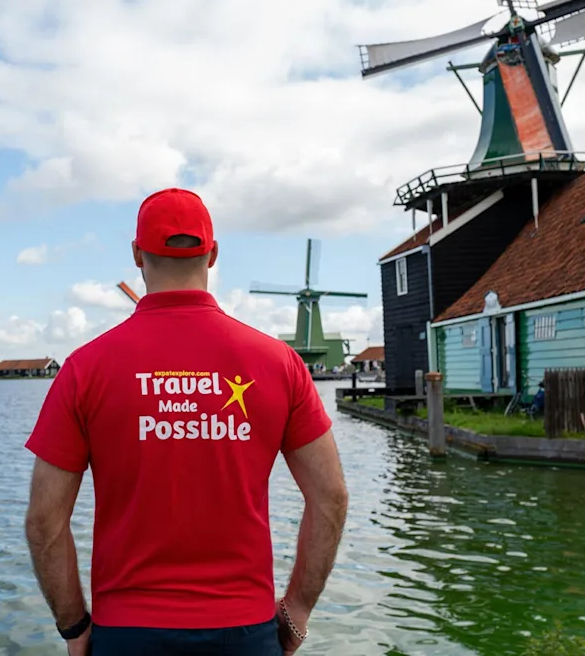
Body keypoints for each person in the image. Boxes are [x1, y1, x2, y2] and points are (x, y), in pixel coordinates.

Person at [24, 187, 349, 655]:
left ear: (137, 255)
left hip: (127, 635)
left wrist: (75, 628)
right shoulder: (279, 363)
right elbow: (331, 497)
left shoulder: (85, 369)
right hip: (246, 633)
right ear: (212, 254)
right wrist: (297, 608)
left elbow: (44, 520)